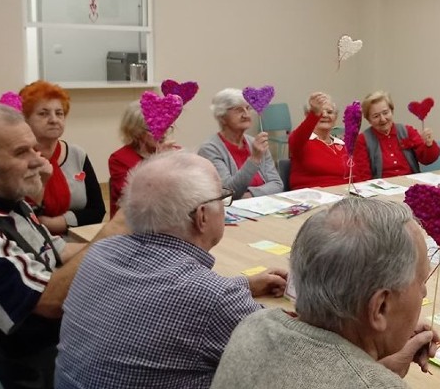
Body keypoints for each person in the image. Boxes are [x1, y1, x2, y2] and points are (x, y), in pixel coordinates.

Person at [55, 151, 288, 389]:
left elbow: (156, 296)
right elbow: (287, 355)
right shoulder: (214, 299)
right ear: (202, 217)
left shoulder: (99, 253)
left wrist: (243, 284)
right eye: (222, 198)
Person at [211, 198, 439, 388]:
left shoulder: (254, 325)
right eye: (421, 282)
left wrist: (374, 372)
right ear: (380, 307)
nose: (424, 291)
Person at [0, 104, 126, 389]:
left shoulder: (13, 202)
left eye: (34, 149)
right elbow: (49, 301)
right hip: (27, 367)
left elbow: (57, 252)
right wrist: (115, 229)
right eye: (21, 152)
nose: (40, 161)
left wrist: (125, 245)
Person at [19, 81, 106, 234]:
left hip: (75, 237)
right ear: (25, 119)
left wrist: (62, 222)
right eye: (43, 113)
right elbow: (16, 215)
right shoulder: (17, 158)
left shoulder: (77, 154)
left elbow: (97, 210)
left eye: (59, 113)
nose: (54, 120)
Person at [198, 88, 283, 199]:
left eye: (248, 108)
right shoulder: (210, 149)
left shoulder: (256, 143)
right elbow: (228, 191)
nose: (246, 115)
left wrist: (249, 195)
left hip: (264, 206)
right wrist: (255, 158)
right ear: (222, 117)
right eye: (239, 110)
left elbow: (277, 184)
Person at [108, 100, 180, 218]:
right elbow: (137, 199)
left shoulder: (174, 152)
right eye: (155, 127)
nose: (163, 132)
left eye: (166, 125)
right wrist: (159, 162)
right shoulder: (119, 159)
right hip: (134, 224)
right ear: (136, 131)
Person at [353, 91, 440, 180]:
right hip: (381, 189)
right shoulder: (362, 140)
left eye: (385, 113)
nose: (383, 119)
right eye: (376, 116)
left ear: (392, 111)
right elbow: (363, 176)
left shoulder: (407, 131)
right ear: (369, 119)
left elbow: (427, 160)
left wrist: (429, 144)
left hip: (410, 184)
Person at [288, 92, 348, 189]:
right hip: (312, 198)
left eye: (329, 112)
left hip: (344, 196)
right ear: (308, 115)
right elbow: (297, 138)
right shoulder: (300, 140)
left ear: (336, 117)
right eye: (320, 112)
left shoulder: (343, 144)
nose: (324, 115)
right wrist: (314, 114)